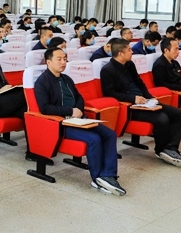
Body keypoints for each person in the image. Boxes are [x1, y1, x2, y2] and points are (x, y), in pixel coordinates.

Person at [34, 47, 124, 195]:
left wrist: (78, 110)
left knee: (110, 134)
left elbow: (79, 97)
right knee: (94, 139)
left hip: (79, 119)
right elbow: (45, 108)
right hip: (62, 123)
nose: (63, 62)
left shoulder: (66, 79)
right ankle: (97, 178)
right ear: (48, 62)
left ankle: (108, 174)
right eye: (59, 59)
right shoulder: (42, 82)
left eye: (65, 59)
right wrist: (70, 111)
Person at [100, 38, 181, 167]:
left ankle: (171, 148)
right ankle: (161, 150)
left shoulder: (130, 64)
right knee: (162, 118)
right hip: (130, 106)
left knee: (178, 113)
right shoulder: (107, 70)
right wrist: (133, 99)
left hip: (144, 101)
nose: (132, 52)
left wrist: (149, 97)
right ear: (120, 53)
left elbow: (139, 83)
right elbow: (109, 93)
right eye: (129, 50)